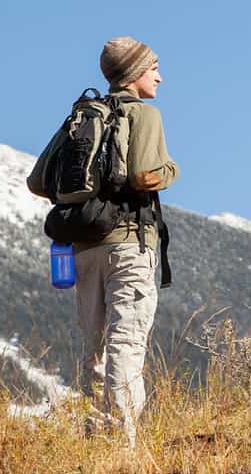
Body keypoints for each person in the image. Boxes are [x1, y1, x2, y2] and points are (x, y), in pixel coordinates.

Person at [30, 36, 179, 447]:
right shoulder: (144, 115)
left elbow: (37, 180)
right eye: (154, 69)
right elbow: (146, 175)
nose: (160, 77)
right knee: (126, 342)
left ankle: (97, 442)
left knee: (94, 348)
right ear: (134, 74)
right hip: (130, 243)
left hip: (84, 247)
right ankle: (124, 448)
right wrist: (172, 170)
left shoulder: (82, 115)